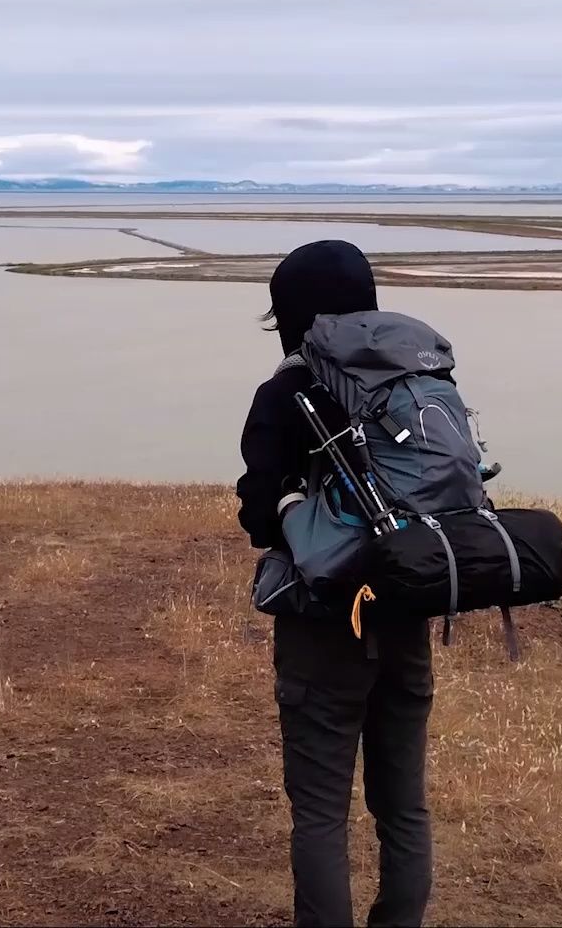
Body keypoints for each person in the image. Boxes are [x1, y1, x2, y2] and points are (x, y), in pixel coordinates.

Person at [236, 240, 435, 928]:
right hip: (408, 608)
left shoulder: (286, 391)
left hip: (324, 626)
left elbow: (260, 518)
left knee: (321, 813)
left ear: (291, 313)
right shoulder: (409, 379)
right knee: (403, 802)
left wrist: (288, 503)